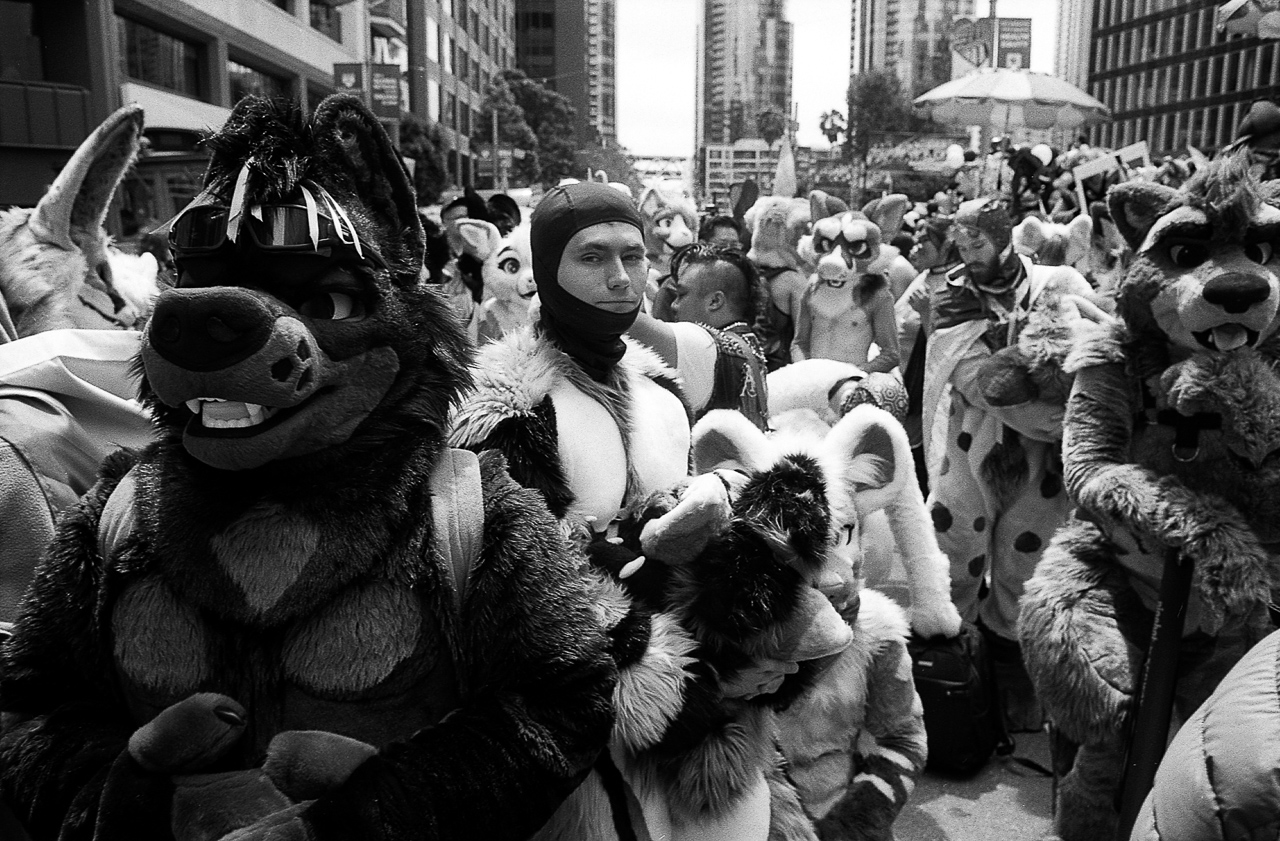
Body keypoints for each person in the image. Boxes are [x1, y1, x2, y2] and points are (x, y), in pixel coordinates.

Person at [922, 195, 1091, 730]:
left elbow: (1095, 345)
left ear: (1002, 236)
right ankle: (948, 677)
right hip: (972, 444)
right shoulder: (952, 294)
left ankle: (1015, 687)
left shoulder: (1059, 282)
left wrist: (1062, 419)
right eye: (960, 242)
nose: (967, 252)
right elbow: (973, 378)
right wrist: (1048, 419)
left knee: (1027, 561)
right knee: (953, 550)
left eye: (977, 240)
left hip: (1040, 462)